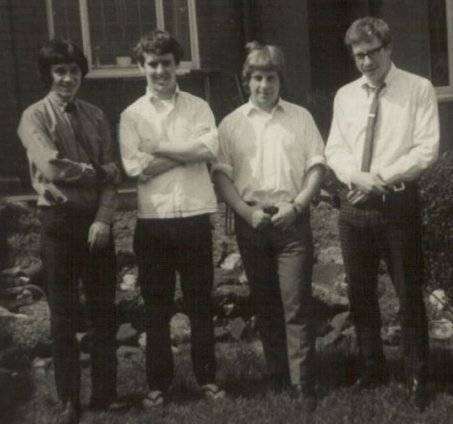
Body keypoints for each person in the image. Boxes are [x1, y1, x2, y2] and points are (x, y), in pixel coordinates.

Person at [325, 17, 439, 411]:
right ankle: (372, 368)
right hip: (354, 205)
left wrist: (380, 178)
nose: (366, 62)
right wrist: (354, 175)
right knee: (360, 293)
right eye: (358, 55)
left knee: (408, 293)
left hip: (397, 206)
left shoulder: (418, 89)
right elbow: (334, 148)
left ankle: (417, 374)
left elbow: (426, 148)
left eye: (372, 53)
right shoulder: (345, 96)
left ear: (388, 48)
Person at [213, 41, 325, 413]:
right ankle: (277, 376)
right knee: (266, 305)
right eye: (257, 78)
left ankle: (302, 382)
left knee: (296, 304)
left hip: (292, 221)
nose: (264, 85)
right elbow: (222, 177)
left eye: (271, 78)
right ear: (247, 80)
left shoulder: (300, 118)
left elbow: (316, 167)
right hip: (253, 222)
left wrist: (297, 206)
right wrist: (246, 214)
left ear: (280, 80)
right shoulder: (231, 124)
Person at [17, 39, 122, 423]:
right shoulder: (33, 117)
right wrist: (94, 172)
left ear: (82, 74)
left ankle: (106, 394)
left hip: (96, 224)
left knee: (103, 311)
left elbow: (114, 175)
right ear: (48, 74)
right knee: (63, 315)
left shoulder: (96, 115)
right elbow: (52, 166)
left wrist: (104, 219)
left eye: (74, 71)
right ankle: (69, 399)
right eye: (60, 71)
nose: (67, 78)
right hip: (59, 224)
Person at [119, 30, 224, 408]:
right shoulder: (132, 115)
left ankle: (207, 379)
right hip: (155, 221)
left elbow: (209, 149)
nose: (160, 71)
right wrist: (186, 153)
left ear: (176, 65)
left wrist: (158, 148)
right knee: (156, 308)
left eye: (166, 63)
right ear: (141, 67)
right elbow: (136, 168)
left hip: (194, 216)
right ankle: (158, 384)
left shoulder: (198, 106)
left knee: (200, 305)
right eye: (152, 64)